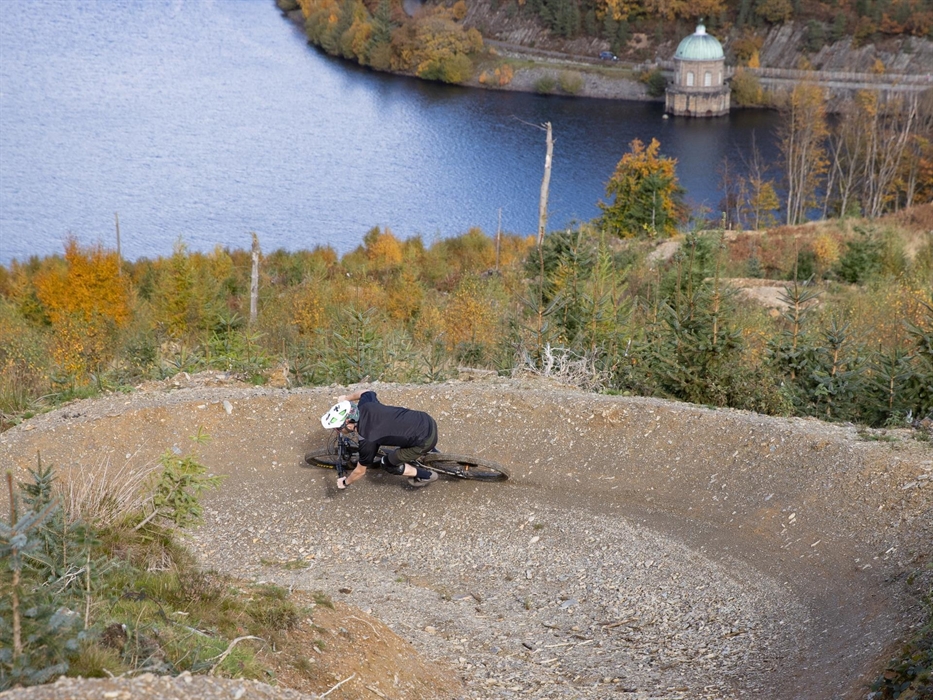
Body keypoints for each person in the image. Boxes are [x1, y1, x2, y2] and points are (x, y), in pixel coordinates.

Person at [320, 389, 439, 489]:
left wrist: (345, 482)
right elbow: (366, 392)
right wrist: (346, 398)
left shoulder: (368, 440)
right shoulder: (366, 405)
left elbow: (360, 471)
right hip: (426, 420)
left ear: (349, 424)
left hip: (425, 440)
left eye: (338, 428)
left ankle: (425, 475)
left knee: (387, 463)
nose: (337, 431)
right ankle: (431, 451)